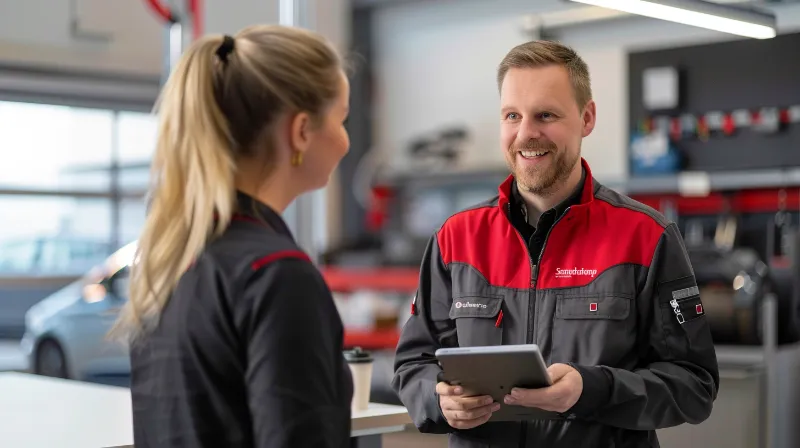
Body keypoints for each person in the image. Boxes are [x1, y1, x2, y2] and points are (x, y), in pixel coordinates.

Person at [392, 40, 719, 447]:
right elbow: (412, 364)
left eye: (545, 115)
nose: (526, 134)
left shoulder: (646, 237)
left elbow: (694, 384)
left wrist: (591, 389)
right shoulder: (456, 239)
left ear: (586, 118)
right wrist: (439, 401)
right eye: (513, 115)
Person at [109, 25, 353, 448]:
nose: (346, 142)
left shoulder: (170, 261)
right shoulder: (276, 275)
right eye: (341, 119)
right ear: (301, 131)